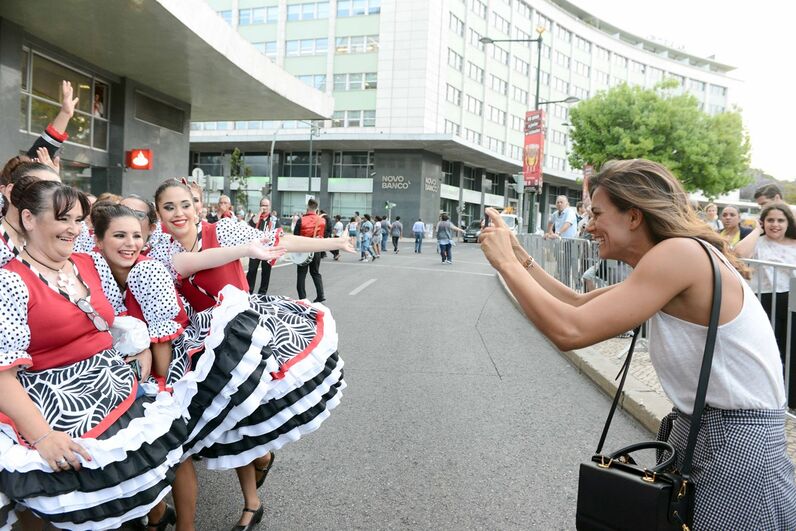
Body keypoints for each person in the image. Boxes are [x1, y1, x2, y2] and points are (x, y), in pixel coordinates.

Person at [479, 159, 796, 529]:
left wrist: (505, 264)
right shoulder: (678, 254)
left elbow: (570, 330)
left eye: (597, 214)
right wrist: (519, 257)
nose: (589, 225)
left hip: (735, 446)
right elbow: (577, 304)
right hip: (719, 436)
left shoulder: (679, 254)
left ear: (633, 216)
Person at [147, 179, 351, 530]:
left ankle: (252, 501)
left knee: (243, 419)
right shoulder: (161, 249)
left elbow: (279, 241)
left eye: (185, 204)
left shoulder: (223, 229)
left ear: (198, 207)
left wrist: (333, 242)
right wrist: (246, 250)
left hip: (247, 334)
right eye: (169, 207)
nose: (178, 213)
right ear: (159, 213)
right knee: (228, 424)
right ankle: (257, 484)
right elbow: (187, 264)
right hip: (203, 342)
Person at [0, 179, 190, 530]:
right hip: (61, 407)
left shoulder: (89, 262)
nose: (73, 229)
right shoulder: (9, 282)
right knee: (86, 507)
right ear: (28, 218)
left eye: (77, 219)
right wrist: (43, 437)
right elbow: (2, 374)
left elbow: (111, 318)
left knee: (141, 488)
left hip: (119, 388)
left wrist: (141, 344)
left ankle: (155, 517)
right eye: (62, 218)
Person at [735, 202, 796, 411]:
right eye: (770, 220)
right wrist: (757, 229)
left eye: (780, 220)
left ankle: (791, 398)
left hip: (791, 300)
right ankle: (768, 396)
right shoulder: (758, 243)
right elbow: (738, 252)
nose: (775, 224)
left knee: (791, 349)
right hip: (764, 300)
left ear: (788, 223)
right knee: (768, 350)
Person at [293, 198, 328, 302]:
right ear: (317, 208)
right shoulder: (322, 220)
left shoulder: (301, 220)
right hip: (316, 250)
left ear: (307, 207)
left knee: (301, 274)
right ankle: (320, 295)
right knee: (315, 273)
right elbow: (325, 235)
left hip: (304, 250)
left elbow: (295, 236)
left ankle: (303, 298)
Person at [246, 197, 280, 295]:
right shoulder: (256, 217)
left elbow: (279, 232)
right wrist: (259, 213)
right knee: (252, 270)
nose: (264, 207)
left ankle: (262, 293)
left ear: (270, 206)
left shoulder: (274, 219)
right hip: (256, 247)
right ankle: (248, 291)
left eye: (266, 205)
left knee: (266, 272)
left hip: (268, 248)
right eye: (262, 205)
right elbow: (251, 225)